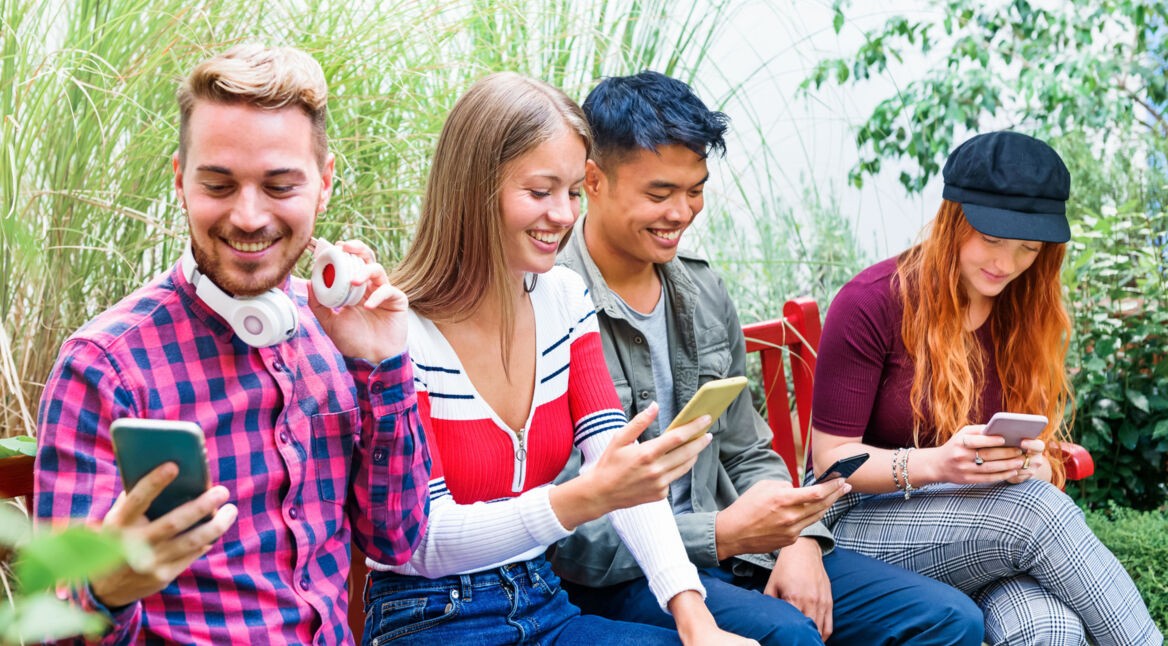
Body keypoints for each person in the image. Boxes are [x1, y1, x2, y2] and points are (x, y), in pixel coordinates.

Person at [548, 70, 985, 646]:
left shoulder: (703, 295)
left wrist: (799, 538)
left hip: (736, 546)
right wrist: (723, 534)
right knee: (789, 636)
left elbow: (748, 450)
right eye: (659, 194)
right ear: (594, 180)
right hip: (622, 571)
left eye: (696, 189)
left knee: (948, 620)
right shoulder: (550, 301)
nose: (682, 212)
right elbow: (566, 531)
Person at [34, 45, 429, 645]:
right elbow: (51, 627)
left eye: (279, 186)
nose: (248, 217)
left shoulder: (337, 329)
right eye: (218, 184)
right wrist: (104, 590)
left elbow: (396, 540)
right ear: (179, 180)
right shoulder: (103, 368)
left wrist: (382, 365)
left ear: (323, 185)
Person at [360, 72, 754, 645]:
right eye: (540, 192)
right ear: (474, 188)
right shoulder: (400, 330)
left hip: (543, 599)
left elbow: (617, 465)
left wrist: (695, 619)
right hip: (429, 615)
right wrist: (583, 498)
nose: (565, 215)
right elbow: (424, 541)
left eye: (572, 191)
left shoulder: (565, 299)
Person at [810, 130, 1161, 645]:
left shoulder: (1024, 314)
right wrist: (936, 464)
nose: (1006, 263)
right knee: (1035, 513)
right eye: (991, 239)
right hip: (861, 526)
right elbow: (831, 460)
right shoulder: (872, 303)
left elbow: (1034, 444)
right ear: (954, 219)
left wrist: (1037, 464)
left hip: (985, 526)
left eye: (1027, 248)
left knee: (1050, 629)